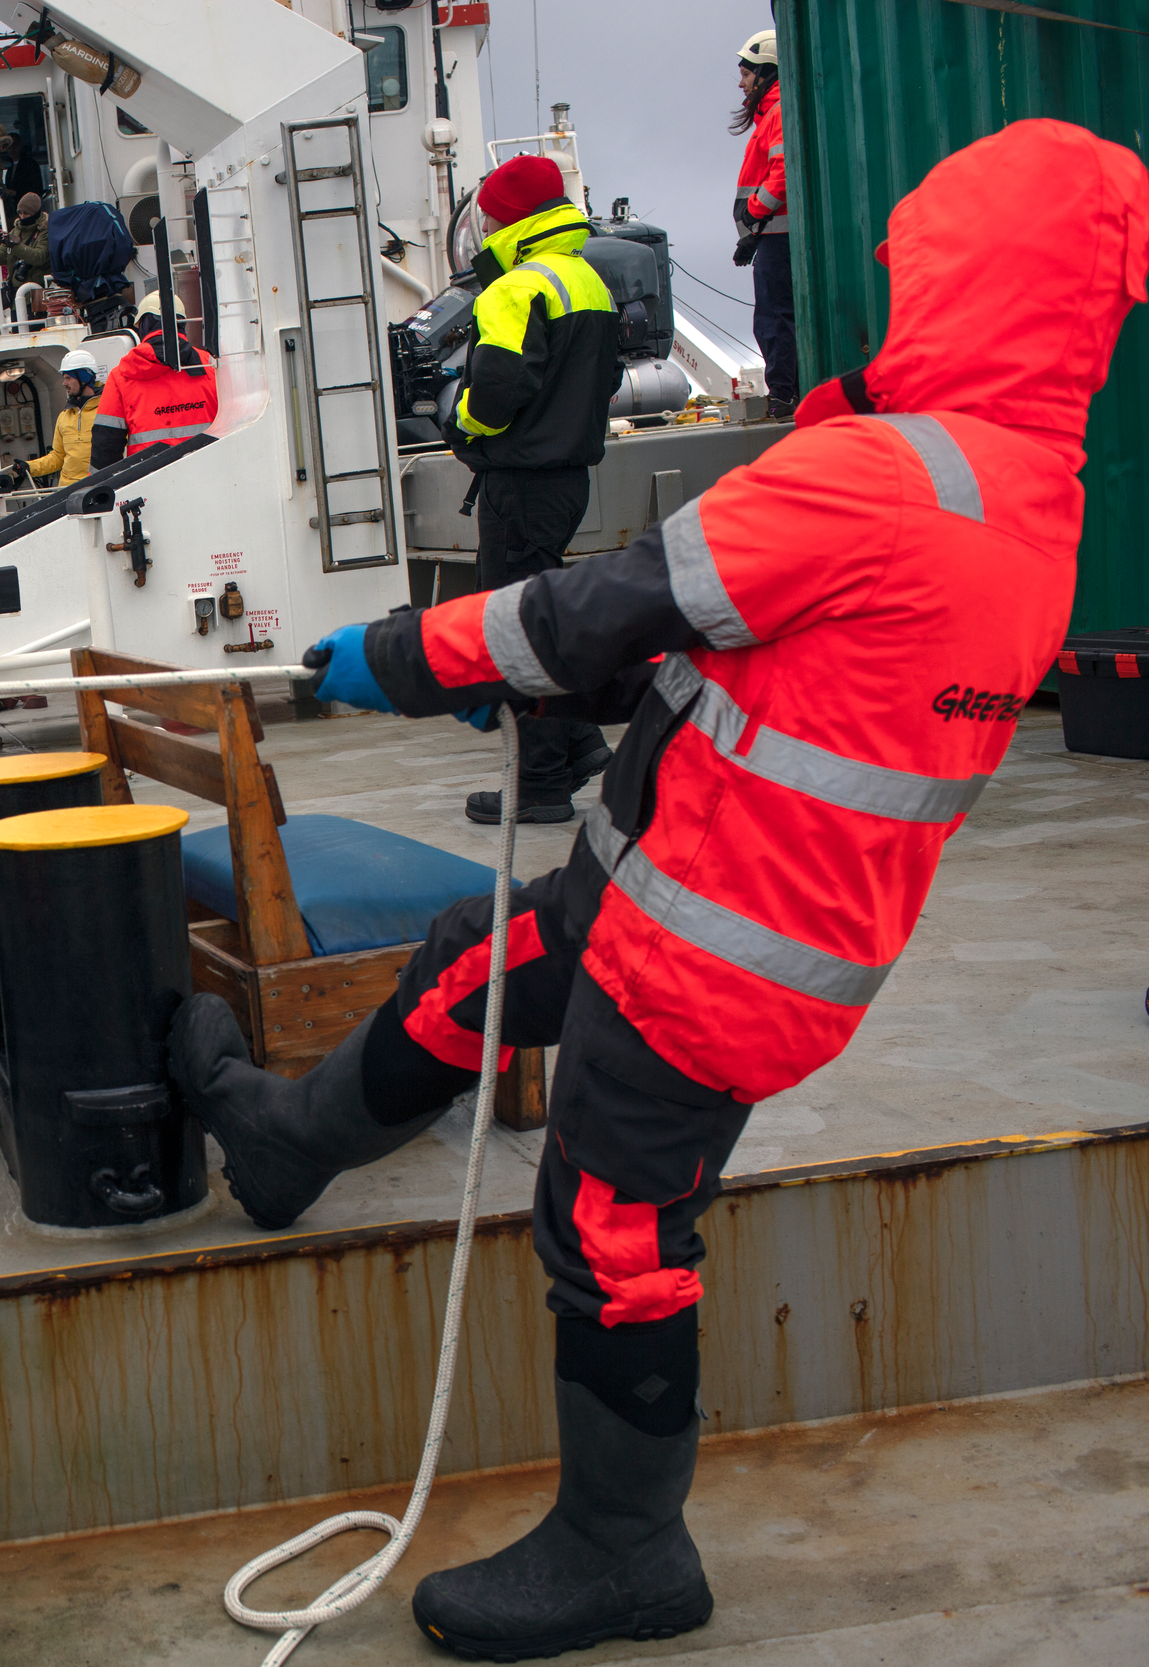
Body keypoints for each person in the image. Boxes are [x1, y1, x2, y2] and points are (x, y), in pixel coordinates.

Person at [172, 120, 1145, 1662]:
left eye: (918, 271)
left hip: (703, 955)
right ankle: (295, 1141)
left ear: (961, 283)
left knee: (611, 1226)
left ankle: (628, 1548)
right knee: (464, 963)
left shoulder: (876, 480)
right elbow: (824, 673)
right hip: (713, 914)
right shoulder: (1032, 498)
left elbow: (595, 609)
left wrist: (398, 662)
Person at [445, 151, 621, 825]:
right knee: (543, 616)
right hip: (565, 479)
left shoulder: (516, 289)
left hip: (517, 481)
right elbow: (601, 383)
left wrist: (461, 422)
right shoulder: (587, 280)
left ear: (508, 219)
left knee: (517, 631)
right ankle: (576, 743)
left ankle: (541, 780)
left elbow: (495, 390)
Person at [733, 29, 798, 415]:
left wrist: (754, 214)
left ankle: (784, 396)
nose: (741, 83)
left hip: (776, 236)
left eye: (746, 73)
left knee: (774, 319)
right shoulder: (773, 113)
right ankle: (790, 392)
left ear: (766, 72)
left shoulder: (776, 113)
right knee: (777, 318)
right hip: (770, 235)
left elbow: (782, 174)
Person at [89, 291, 216, 466]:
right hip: (211, 474)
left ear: (143, 327)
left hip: (148, 481)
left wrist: (99, 490)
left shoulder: (121, 375)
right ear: (182, 323)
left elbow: (106, 446)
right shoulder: (211, 366)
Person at [21, 348, 101, 486]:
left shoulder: (107, 411)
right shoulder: (64, 416)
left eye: (68, 378)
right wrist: (29, 467)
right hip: (67, 493)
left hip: (99, 489)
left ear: (83, 378)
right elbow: (57, 457)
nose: (64, 383)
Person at [1, 192, 50, 288]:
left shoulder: (45, 231)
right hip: (17, 292)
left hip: (37, 291)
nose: (22, 217)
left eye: (26, 213)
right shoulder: (16, 230)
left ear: (36, 213)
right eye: (20, 213)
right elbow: (0, 258)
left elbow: (39, 257)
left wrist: (14, 246)